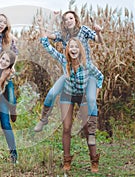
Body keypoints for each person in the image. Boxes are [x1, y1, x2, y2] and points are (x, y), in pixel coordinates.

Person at [38, 18, 104, 172]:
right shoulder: (63, 60)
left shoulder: (87, 64)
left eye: (76, 47)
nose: (73, 49)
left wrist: (94, 95)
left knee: (88, 129)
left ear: (80, 49)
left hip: (83, 97)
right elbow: (46, 45)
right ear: (67, 49)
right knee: (66, 128)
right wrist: (41, 26)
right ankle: (67, 160)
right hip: (67, 95)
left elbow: (100, 77)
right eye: (70, 47)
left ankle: (94, 159)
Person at [34, 11, 103, 134]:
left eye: (71, 18)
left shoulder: (84, 30)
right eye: (65, 20)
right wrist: (49, 19)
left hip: (85, 71)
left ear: (75, 19)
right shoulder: (63, 34)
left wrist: (98, 32)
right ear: (64, 23)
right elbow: (47, 36)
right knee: (51, 94)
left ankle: (91, 128)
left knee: (91, 99)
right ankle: (44, 119)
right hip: (69, 72)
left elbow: (98, 40)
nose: (68, 21)